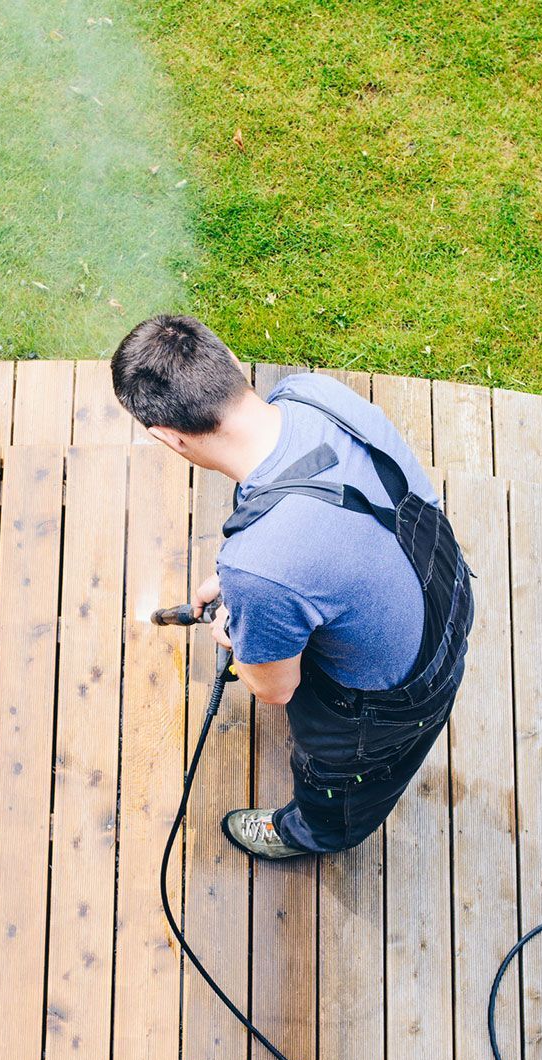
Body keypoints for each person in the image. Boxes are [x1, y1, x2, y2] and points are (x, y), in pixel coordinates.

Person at [111, 314, 474, 860]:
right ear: (231, 360)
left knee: (343, 784)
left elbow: (274, 690)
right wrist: (256, 587)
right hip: (443, 589)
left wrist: (247, 618)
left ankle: (314, 833)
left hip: (396, 701)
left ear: (167, 437)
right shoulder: (311, 394)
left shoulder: (260, 566)